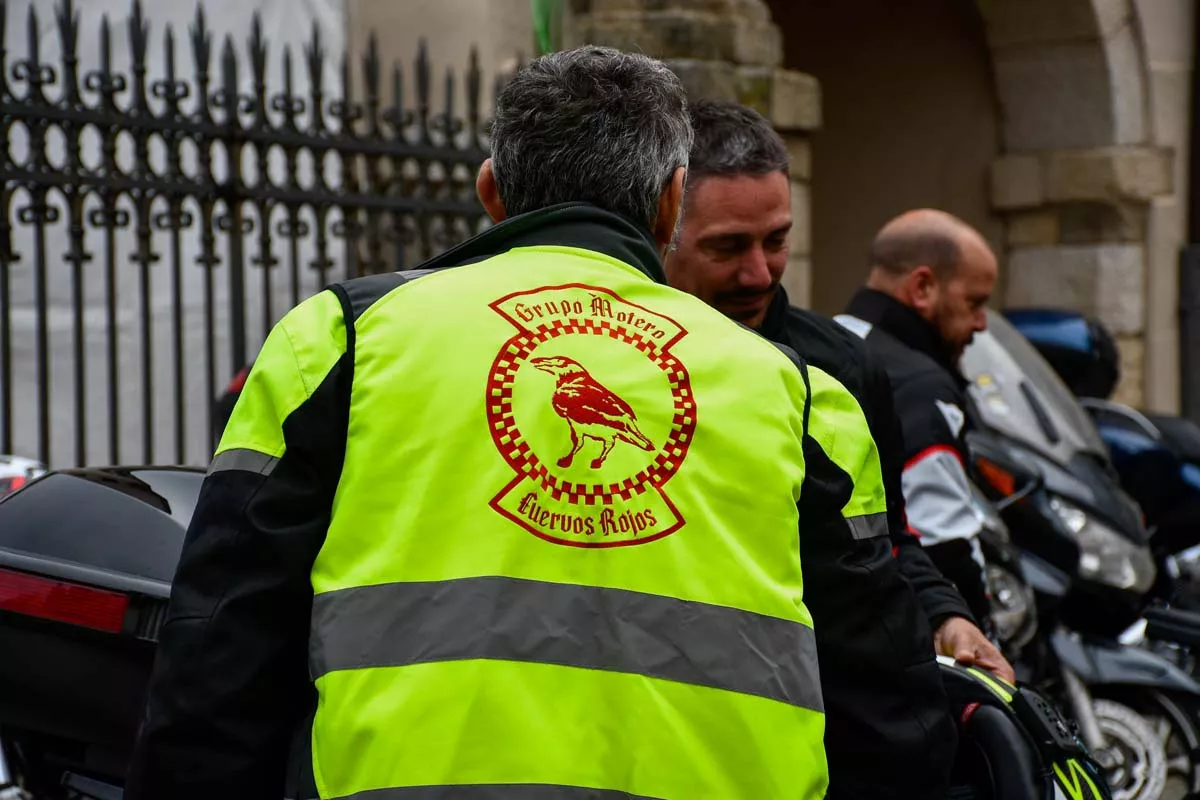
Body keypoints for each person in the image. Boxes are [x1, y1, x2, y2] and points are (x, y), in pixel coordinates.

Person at [125, 47, 832, 800]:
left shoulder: (340, 339)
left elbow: (223, 641)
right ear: (671, 203)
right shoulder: (793, 387)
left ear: (491, 192)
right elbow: (875, 680)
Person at [665, 100, 1016, 800]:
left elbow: (886, 540)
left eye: (777, 240)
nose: (760, 274)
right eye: (728, 247)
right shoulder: (612, 362)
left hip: (830, 743)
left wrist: (948, 615)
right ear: (661, 225)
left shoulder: (843, 367)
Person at [836, 209, 1000, 627]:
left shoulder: (828, 340)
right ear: (923, 287)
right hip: (910, 632)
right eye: (974, 303)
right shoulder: (919, 383)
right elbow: (943, 538)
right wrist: (975, 627)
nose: (981, 323)